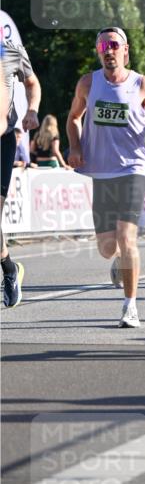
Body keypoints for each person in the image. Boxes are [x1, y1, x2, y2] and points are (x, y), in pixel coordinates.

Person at [67, 26, 145, 328]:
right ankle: (119, 262)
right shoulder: (88, 83)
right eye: (102, 46)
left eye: (113, 44)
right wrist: (74, 146)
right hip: (101, 171)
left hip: (132, 169)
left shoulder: (142, 84)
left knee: (128, 239)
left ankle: (130, 305)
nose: (108, 50)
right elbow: (74, 117)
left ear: (125, 50)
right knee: (106, 248)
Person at [1, 37, 41, 308]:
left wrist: (32, 110)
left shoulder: (12, 51)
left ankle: (8, 272)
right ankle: (8, 265)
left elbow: (32, 83)